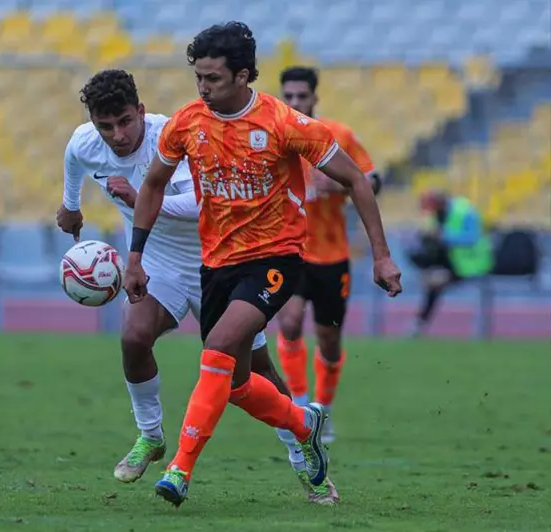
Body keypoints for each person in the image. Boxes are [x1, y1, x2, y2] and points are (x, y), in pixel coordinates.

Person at [123, 22, 402, 507]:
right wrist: (135, 257)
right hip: (217, 264)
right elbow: (152, 185)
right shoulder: (187, 122)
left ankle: (180, 468)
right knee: (234, 383)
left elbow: (357, 180)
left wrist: (381, 255)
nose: (203, 87)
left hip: (275, 258)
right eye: (198, 77)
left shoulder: (283, 123)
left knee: (220, 345)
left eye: (213, 78)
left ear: (243, 76)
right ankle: (304, 424)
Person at [56, 68, 292, 485]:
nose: (117, 135)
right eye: (105, 126)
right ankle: (150, 435)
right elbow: (74, 160)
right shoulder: (85, 142)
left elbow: (203, 204)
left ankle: (301, 443)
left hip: (218, 264)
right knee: (134, 337)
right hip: (158, 264)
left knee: (254, 376)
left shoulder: (173, 138)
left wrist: (141, 198)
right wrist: (70, 205)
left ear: (141, 111)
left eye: (125, 121)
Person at [273, 67, 381, 460]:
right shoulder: (274, 136)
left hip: (332, 257)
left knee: (329, 341)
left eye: (302, 96)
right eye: (289, 96)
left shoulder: (338, 136)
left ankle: (324, 409)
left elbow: (373, 180)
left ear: (314, 98)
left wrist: (338, 183)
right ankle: (301, 404)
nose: (295, 103)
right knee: (288, 321)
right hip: (290, 251)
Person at [408, 190, 493, 336]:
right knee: (432, 280)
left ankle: (420, 323)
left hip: (471, 265)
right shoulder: (436, 215)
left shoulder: (465, 211)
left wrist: (444, 236)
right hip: (451, 264)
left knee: (435, 283)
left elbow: (473, 237)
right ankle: (420, 323)